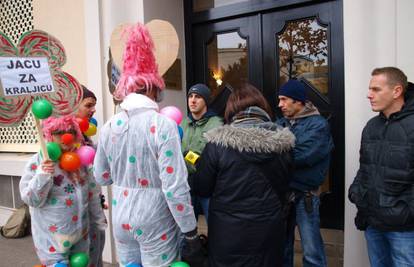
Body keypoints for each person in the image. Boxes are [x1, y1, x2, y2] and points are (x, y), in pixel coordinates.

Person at [93, 23, 205, 267]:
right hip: (156, 218)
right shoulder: (162, 125)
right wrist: (190, 230)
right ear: (154, 87)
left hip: (121, 215)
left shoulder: (109, 126)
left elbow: (100, 176)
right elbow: (174, 186)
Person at [193, 83, 295, 267]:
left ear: (231, 110)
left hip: (228, 234)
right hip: (269, 232)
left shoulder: (216, 145)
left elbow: (203, 188)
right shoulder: (284, 144)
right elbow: (286, 183)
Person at [19, 115, 106, 267]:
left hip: (81, 233)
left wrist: (98, 219)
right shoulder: (39, 161)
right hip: (53, 237)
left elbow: (92, 193)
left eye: (71, 131)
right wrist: (42, 175)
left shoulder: (80, 161)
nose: (66, 137)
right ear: (49, 135)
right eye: (58, 132)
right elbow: (31, 200)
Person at [349, 67, 414, 267]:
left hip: (404, 228)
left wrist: (405, 210)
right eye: (370, 89)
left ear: (396, 91)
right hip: (372, 221)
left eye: (376, 89)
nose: (369, 95)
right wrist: (356, 193)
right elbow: (365, 168)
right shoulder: (371, 127)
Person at [277, 79, 333, 267]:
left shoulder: (318, 125)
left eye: (284, 99)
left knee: (311, 250)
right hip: (284, 193)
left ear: (298, 100)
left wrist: (278, 152)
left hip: (305, 195)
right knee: (282, 246)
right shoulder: (281, 123)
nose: (280, 105)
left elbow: (303, 156)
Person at [180, 83, 223, 223]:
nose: (192, 100)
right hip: (187, 184)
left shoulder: (216, 124)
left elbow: (213, 156)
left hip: (208, 186)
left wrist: (188, 155)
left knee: (216, 227)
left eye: (197, 97)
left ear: (206, 101)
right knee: (186, 229)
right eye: (190, 96)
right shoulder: (183, 123)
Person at [76, 85, 107, 267]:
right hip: (75, 216)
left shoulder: (86, 139)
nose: (93, 110)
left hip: (92, 209)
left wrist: (97, 198)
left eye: (94, 105)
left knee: (96, 252)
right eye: (88, 105)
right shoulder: (61, 141)